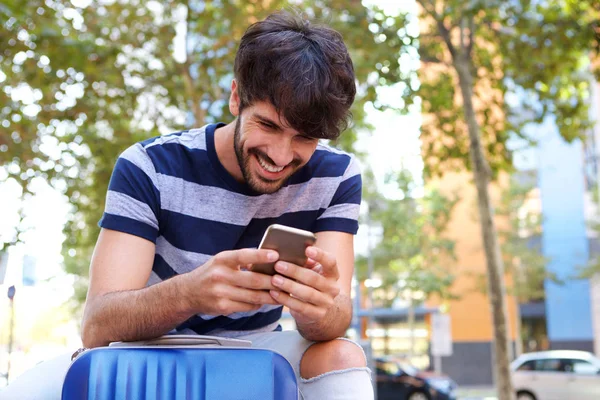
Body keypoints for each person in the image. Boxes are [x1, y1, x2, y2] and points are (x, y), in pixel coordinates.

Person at [1, 10, 372, 399]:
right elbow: (97, 326)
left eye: (304, 138)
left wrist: (319, 307)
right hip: (148, 347)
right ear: (235, 98)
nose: (281, 156)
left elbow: (333, 322)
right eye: (268, 125)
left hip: (258, 348)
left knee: (342, 355)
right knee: (23, 392)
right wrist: (189, 293)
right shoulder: (150, 166)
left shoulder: (337, 176)